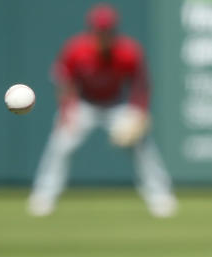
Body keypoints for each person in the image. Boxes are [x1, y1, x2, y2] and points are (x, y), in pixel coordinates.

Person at [28, 3, 176, 218]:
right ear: (93, 30)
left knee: (142, 144)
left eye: (108, 30)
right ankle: (44, 195)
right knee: (61, 143)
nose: (104, 34)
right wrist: (66, 110)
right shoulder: (77, 49)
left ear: (115, 31)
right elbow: (64, 80)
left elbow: (141, 83)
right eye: (100, 30)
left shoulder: (128, 52)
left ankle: (160, 195)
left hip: (115, 105)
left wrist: (140, 112)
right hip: (84, 104)